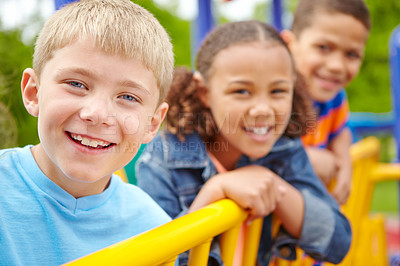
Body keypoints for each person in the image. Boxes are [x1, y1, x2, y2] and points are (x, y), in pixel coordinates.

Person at [136, 20, 351, 265]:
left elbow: (339, 242)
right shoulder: (163, 158)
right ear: (204, 92)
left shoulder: (285, 149)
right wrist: (216, 191)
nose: (262, 109)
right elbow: (160, 258)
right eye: (242, 91)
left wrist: (273, 186)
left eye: (278, 91)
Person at [0, 0, 174, 265]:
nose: (97, 113)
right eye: (76, 84)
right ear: (33, 93)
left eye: (128, 96)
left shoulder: (155, 227)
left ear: (152, 123)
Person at [281, 0, 371, 205]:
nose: (337, 66)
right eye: (323, 47)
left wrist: (344, 164)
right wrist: (303, 159)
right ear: (289, 45)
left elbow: (341, 129)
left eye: (351, 54)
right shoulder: (273, 96)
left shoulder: (335, 98)